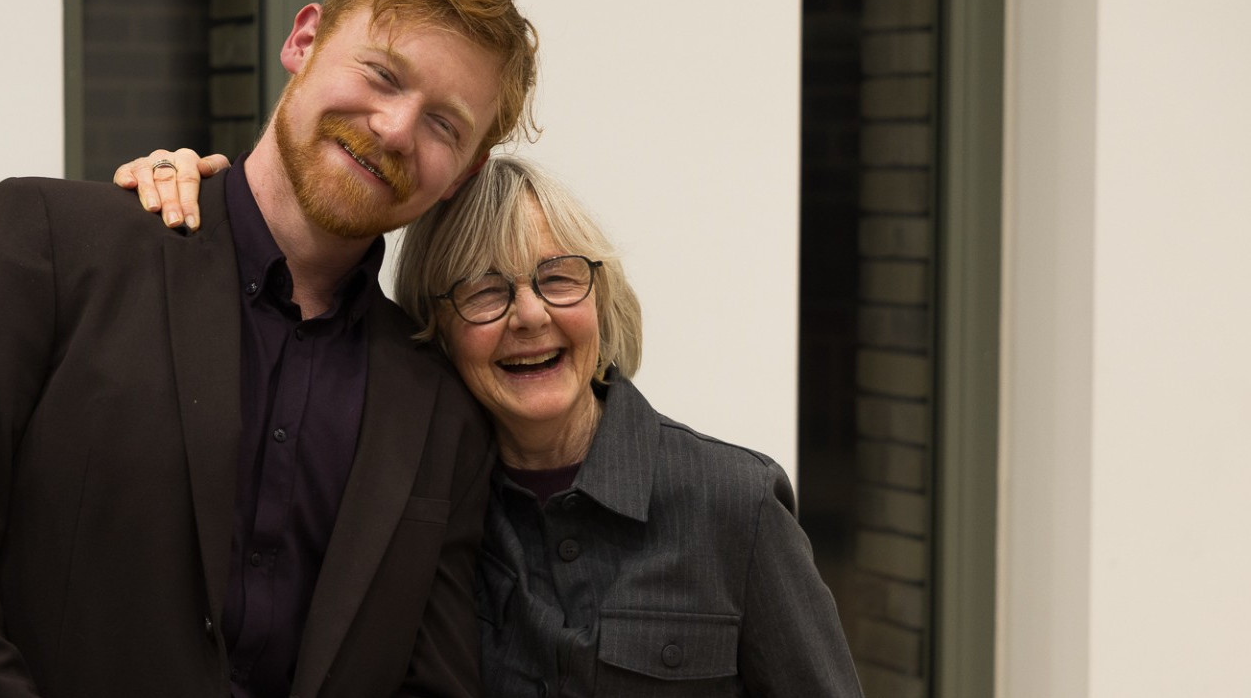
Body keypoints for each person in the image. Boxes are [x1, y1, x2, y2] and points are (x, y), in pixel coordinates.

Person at [0, 0, 538, 698]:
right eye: (382, 73)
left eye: (443, 124)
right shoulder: (46, 244)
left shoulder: (440, 413)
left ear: (463, 176)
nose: (396, 127)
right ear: (305, 39)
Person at [116, 154, 863, 695]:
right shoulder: (412, 513)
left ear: (601, 301)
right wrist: (189, 198)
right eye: (485, 292)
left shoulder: (733, 502)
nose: (530, 315)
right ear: (437, 332)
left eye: (559, 277)